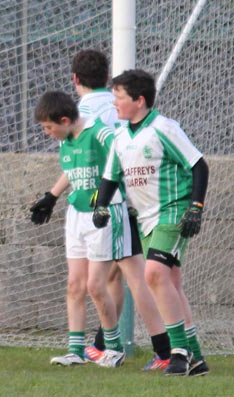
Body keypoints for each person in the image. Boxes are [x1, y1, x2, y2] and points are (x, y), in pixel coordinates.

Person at [30, 49, 170, 370]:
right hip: (87, 211)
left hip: (111, 210)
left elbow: (118, 158)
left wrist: (111, 200)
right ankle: (93, 348)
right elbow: (86, 166)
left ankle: (142, 348)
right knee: (107, 280)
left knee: (124, 279)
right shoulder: (71, 132)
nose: (48, 133)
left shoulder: (96, 123)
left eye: (49, 128)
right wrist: (52, 196)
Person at [93, 69, 209, 376]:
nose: (114, 103)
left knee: (154, 274)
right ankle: (196, 357)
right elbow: (109, 177)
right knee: (169, 282)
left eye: (119, 97)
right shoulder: (120, 137)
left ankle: (179, 352)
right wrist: (101, 206)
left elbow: (198, 165)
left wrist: (195, 207)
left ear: (139, 101)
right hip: (145, 220)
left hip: (173, 210)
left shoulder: (163, 128)